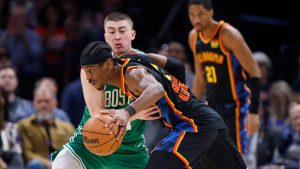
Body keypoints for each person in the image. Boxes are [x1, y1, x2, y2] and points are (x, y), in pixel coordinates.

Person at [80, 41, 247, 169]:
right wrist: (184, 97)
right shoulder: (134, 58)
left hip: (193, 126)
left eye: (91, 70)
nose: (88, 78)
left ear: (108, 64)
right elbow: (176, 65)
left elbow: (156, 88)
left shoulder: (132, 74)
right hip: (207, 120)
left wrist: (126, 112)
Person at [52, 12, 185, 169]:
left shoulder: (145, 64)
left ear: (132, 34)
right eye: (111, 31)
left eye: (122, 31)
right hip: (89, 142)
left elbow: (175, 72)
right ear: (105, 36)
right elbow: (98, 114)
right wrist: (132, 114)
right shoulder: (93, 63)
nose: (117, 37)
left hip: (130, 149)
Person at [188, 0, 262, 154]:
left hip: (235, 106)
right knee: (212, 156)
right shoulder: (194, 36)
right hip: (212, 105)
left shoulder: (228, 34)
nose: (196, 19)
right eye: (192, 15)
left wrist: (254, 112)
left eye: (200, 14)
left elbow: (254, 71)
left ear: (211, 12)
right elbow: (200, 78)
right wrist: (191, 108)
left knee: (235, 156)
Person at [18, 88, 74, 169]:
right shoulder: (24, 125)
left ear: (55, 104)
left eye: (47, 101)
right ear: (34, 104)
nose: (43, 105)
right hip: (39, 166)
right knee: (35, 164)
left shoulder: (67, 127)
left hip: (62, 165)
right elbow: (27, 153)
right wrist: (47, 164)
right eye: (39, 101)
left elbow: (74, 151)